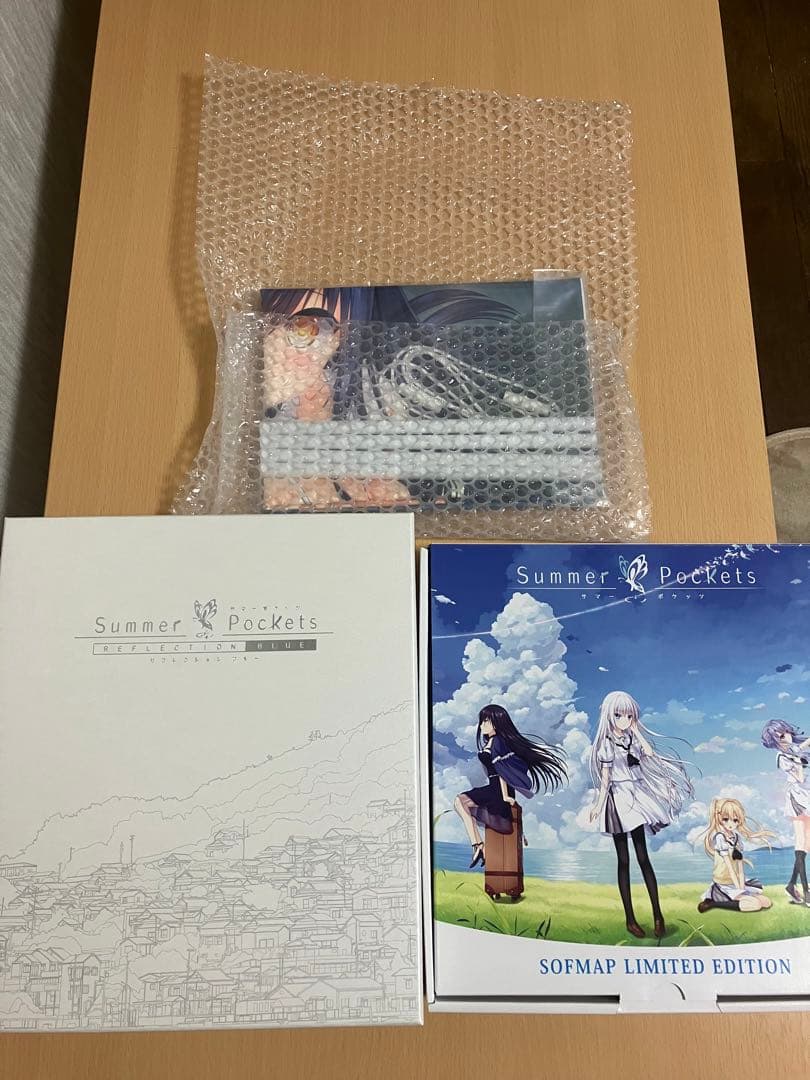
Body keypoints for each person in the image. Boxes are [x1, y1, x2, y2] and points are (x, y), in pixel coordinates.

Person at [588, 690, 694, 939]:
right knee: (623, 860)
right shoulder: (606, 744)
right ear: (609, 715)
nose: (624, 720)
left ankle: (658, 915)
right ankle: (630, 919)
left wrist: (635, 731)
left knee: (643, 857)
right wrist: (598, 805)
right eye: (619, 715)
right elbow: (605, 779)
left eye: (629, 715)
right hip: (618, 799)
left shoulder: (631, 738)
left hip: (636, 796)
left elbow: (649, 753)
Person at [453, 703, 566, 869]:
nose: (482, 725)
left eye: (486, 721)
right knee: (460, 803)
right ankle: (478, 845)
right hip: (493, 787)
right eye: (481, 721)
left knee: (460, 801)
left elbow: (502, 772)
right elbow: (491, 770)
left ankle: (478, 845)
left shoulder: (498, 742)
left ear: (497, 723)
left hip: (499, 790)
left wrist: (506, 796)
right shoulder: (491, 743)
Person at [761, 718, 810, 904]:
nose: (785, 738)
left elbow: (803, 745)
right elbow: (799, 778)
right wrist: (798, 760)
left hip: (807, 796)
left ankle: (791, 885)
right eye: (780, 737)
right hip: (797, 799)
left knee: (806, 844)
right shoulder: (782, 758)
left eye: (785, 733)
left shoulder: (792, 750)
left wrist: (800, 751)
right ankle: (806, 892)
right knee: (801, 843)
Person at [696, 797, 774, 913]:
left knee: (766, 902)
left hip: (736, 882)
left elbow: (740, 869)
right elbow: (730, 868)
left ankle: (733, 898)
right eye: (726, 819)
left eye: (735, 820)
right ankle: (714, 903)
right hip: (723, 884)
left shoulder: (737, 838)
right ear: (719, 818)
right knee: (755, 905)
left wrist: (741, 889)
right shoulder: (720, 838)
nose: (731, 824)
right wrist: (739, 892)